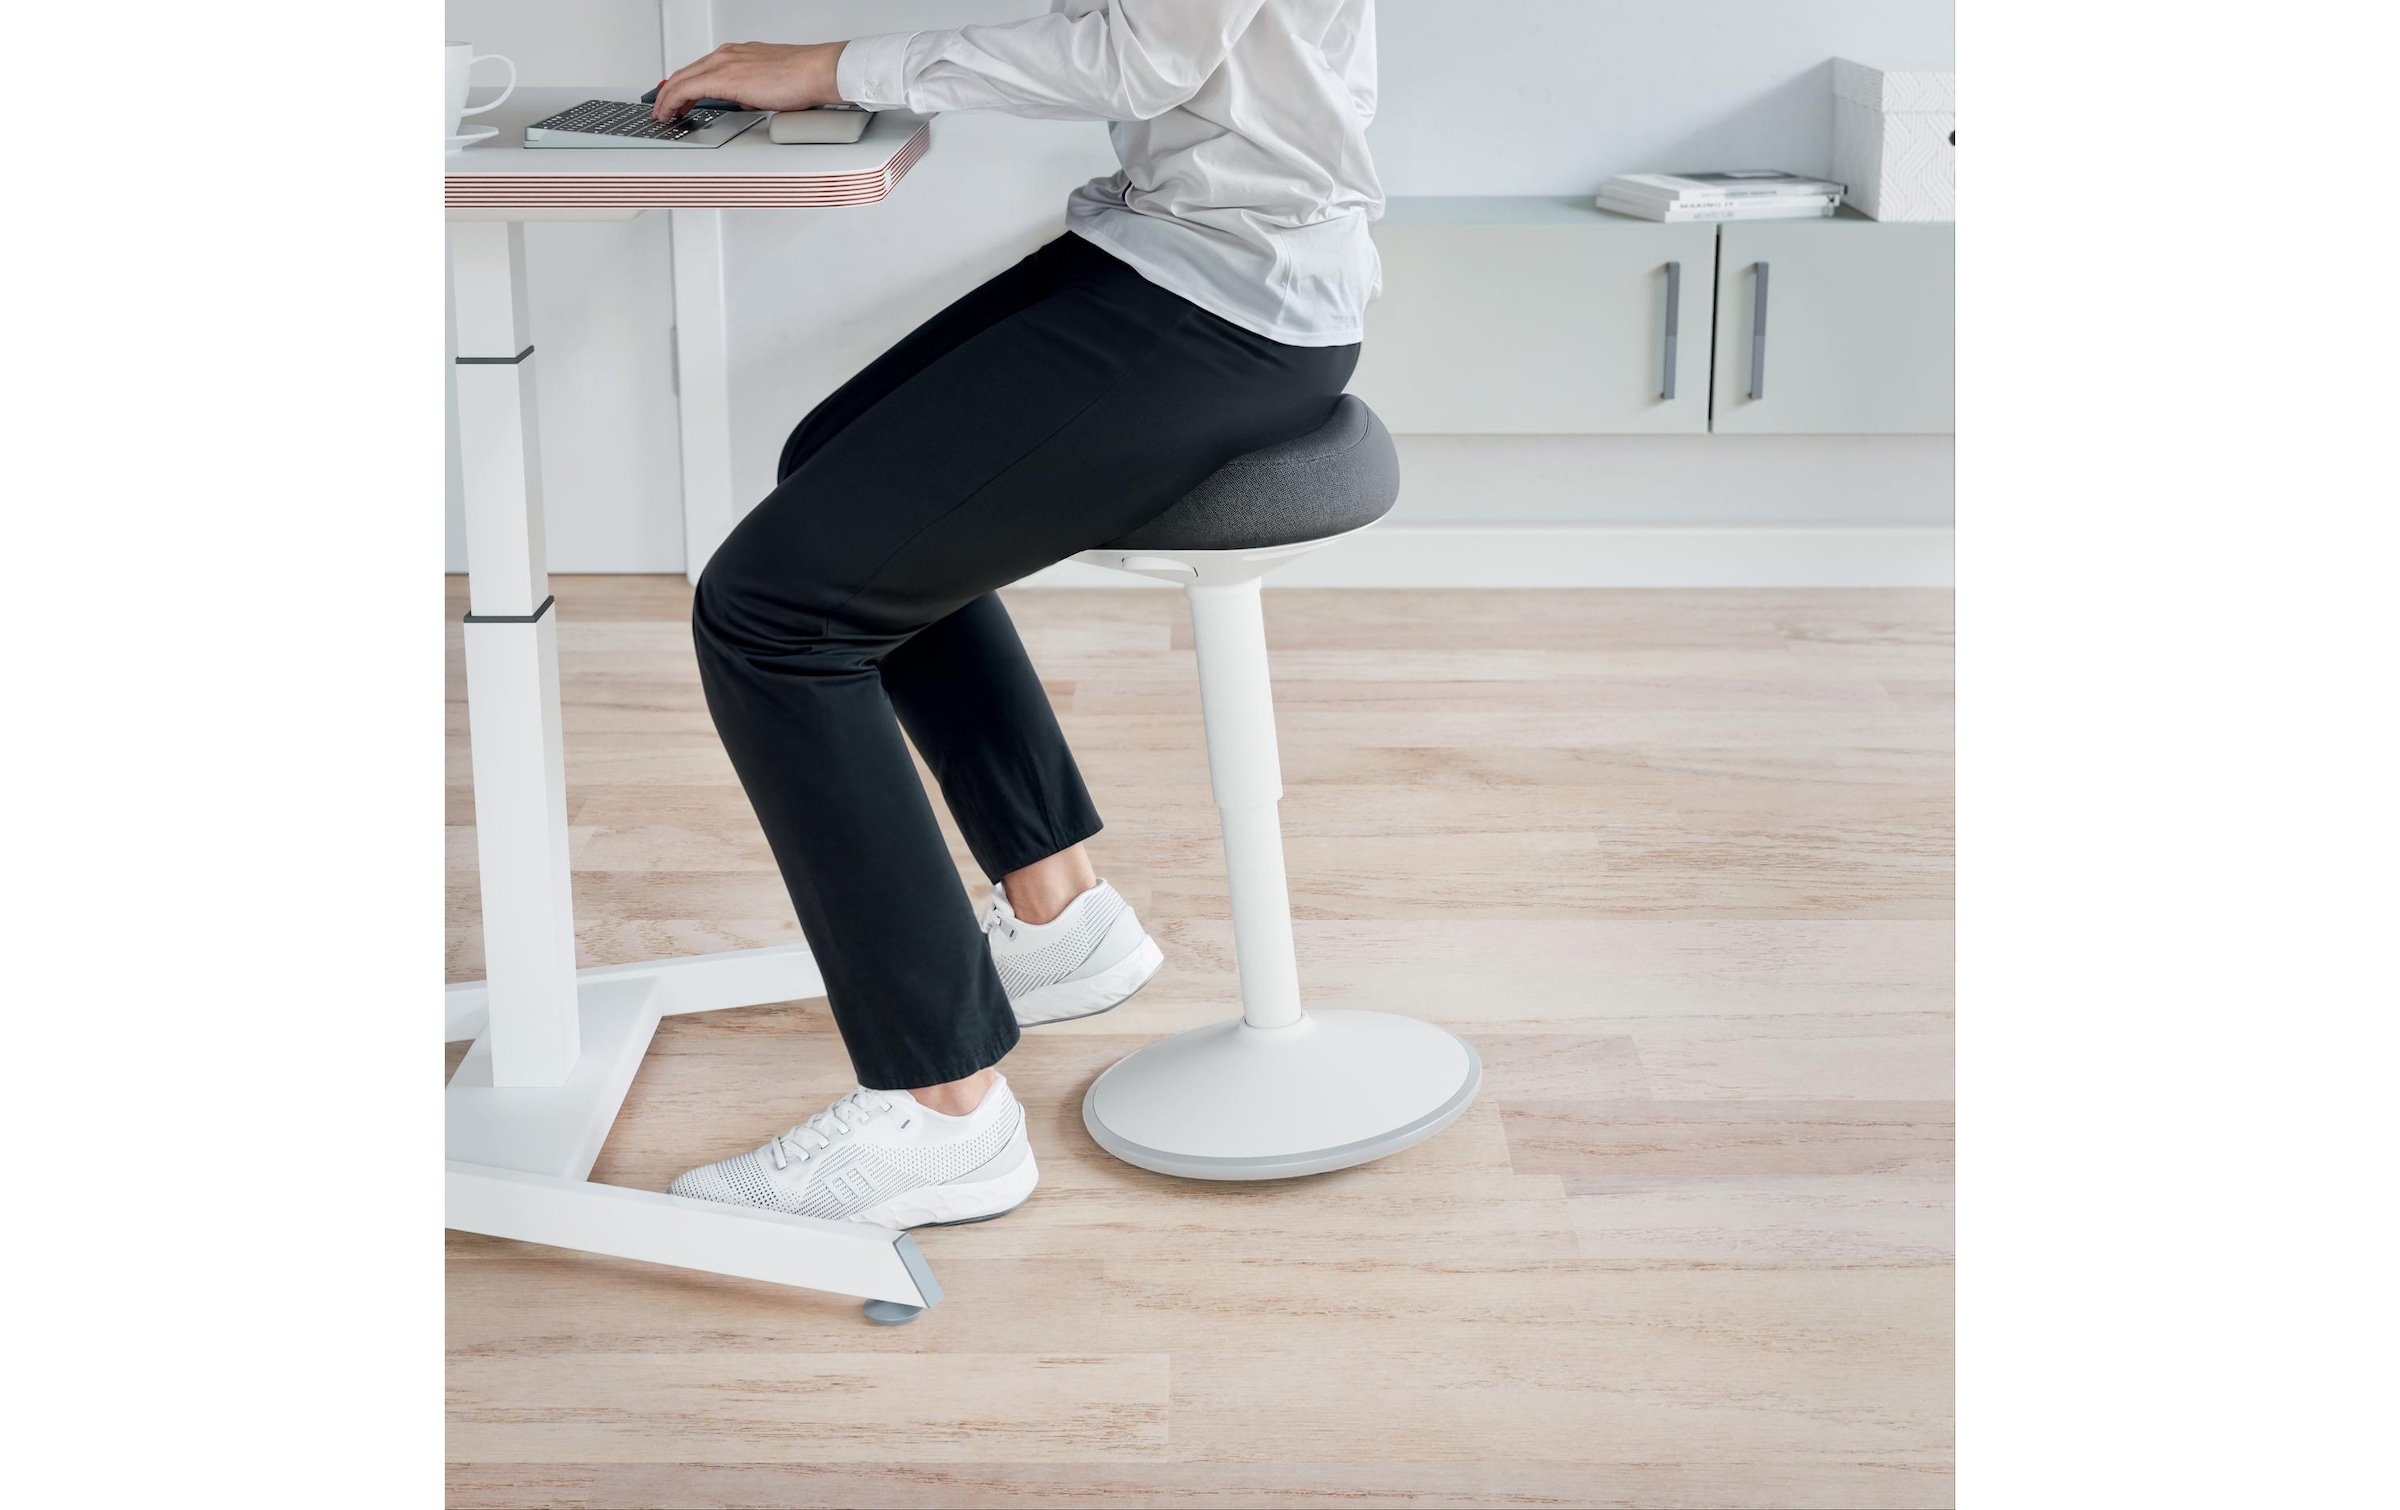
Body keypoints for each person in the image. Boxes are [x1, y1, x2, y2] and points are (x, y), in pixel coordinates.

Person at [652, 1, 1381, 1230]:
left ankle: (942, 1110)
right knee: (829, 466)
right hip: (1171, 244)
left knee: (773, 612)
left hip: (1232, 299)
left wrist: (835, 66)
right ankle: (1059, 913)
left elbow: (1141, 55)